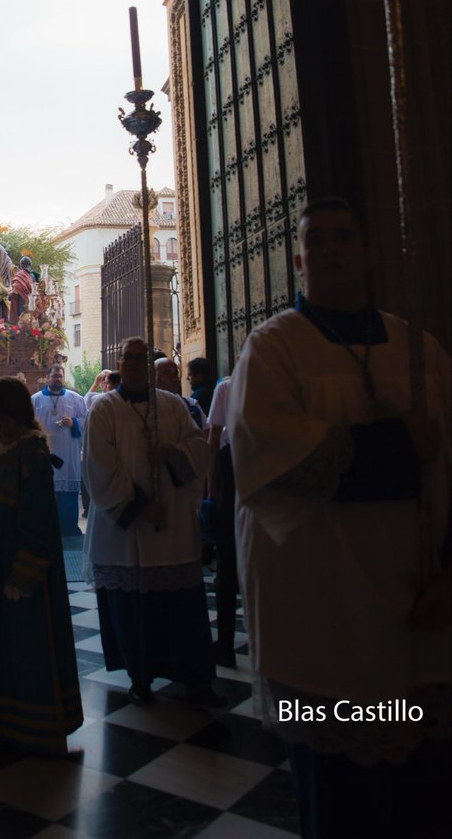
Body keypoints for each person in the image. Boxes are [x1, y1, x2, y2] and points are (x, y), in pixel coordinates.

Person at [228, 198, 451, 839]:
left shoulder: (418, 347)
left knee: (422, 801)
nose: (329, 248)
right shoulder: (272, 350)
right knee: (342, 807)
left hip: (420, 610)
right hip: (320, 617)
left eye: (343, 237)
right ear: (297, 258)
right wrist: (400, 444)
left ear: (367, 250)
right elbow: (271, 469)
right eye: (315, 239)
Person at [83, 336, 219, 707]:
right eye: (127, 357)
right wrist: (140, 506)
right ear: (119, 363)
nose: (132, 363)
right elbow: (99, 467)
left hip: (171, 527)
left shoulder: (174, 406)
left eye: (140, 358)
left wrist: (171, 454)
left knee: (182, 610)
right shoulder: (104, 410)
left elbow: (200, 446)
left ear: (149, 365)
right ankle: (139, 674)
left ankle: (195, 679)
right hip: (126, 531)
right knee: (134, 613)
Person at [0, 376, 83, 751]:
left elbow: (40, 517)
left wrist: (24, 571)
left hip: (13, 560)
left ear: (4, 406)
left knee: (20, 636)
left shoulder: (31, 452)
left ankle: (24, 720)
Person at [31, 363, 89, 535]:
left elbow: (86, 420)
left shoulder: (76, 398)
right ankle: (46, 529)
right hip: (44, 453)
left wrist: (74, 423)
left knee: (68, 493)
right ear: (47, 377)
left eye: (60, 376)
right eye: (54, 376)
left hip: (68, 452)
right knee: (45, 493)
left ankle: (69, 528)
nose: (57, 379)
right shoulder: (35, 400)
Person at [204, 374, 237, 668]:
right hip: (237, 474)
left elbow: (213, 439)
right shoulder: (227, 387)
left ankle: (226, 644)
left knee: (228, 562)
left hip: (234, 475)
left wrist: (212, 486)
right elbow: (213, 439)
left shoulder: (227, 387)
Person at [155, 357, 207, 429]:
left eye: (175, 373)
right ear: (153, 377)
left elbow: (206, 433)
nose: (174, 378)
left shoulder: (191, 405)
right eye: (166, 373)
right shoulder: (147, 408)